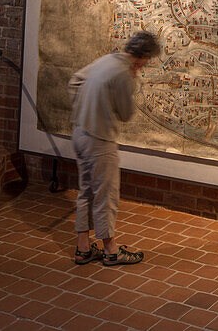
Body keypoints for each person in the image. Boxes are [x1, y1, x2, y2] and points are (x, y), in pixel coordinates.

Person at [69, 31, 159, 266]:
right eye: (147, 61)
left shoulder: (106, 60)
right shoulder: (123, 75)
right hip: (100, 140)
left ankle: (83, 248)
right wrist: (131, 82)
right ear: (143, 57)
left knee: (86, 191)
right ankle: (110, 250)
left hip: (80, 132)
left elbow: (75, 81)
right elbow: (126, 113)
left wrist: (86, 108)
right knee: (106, 196)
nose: (145, 66)